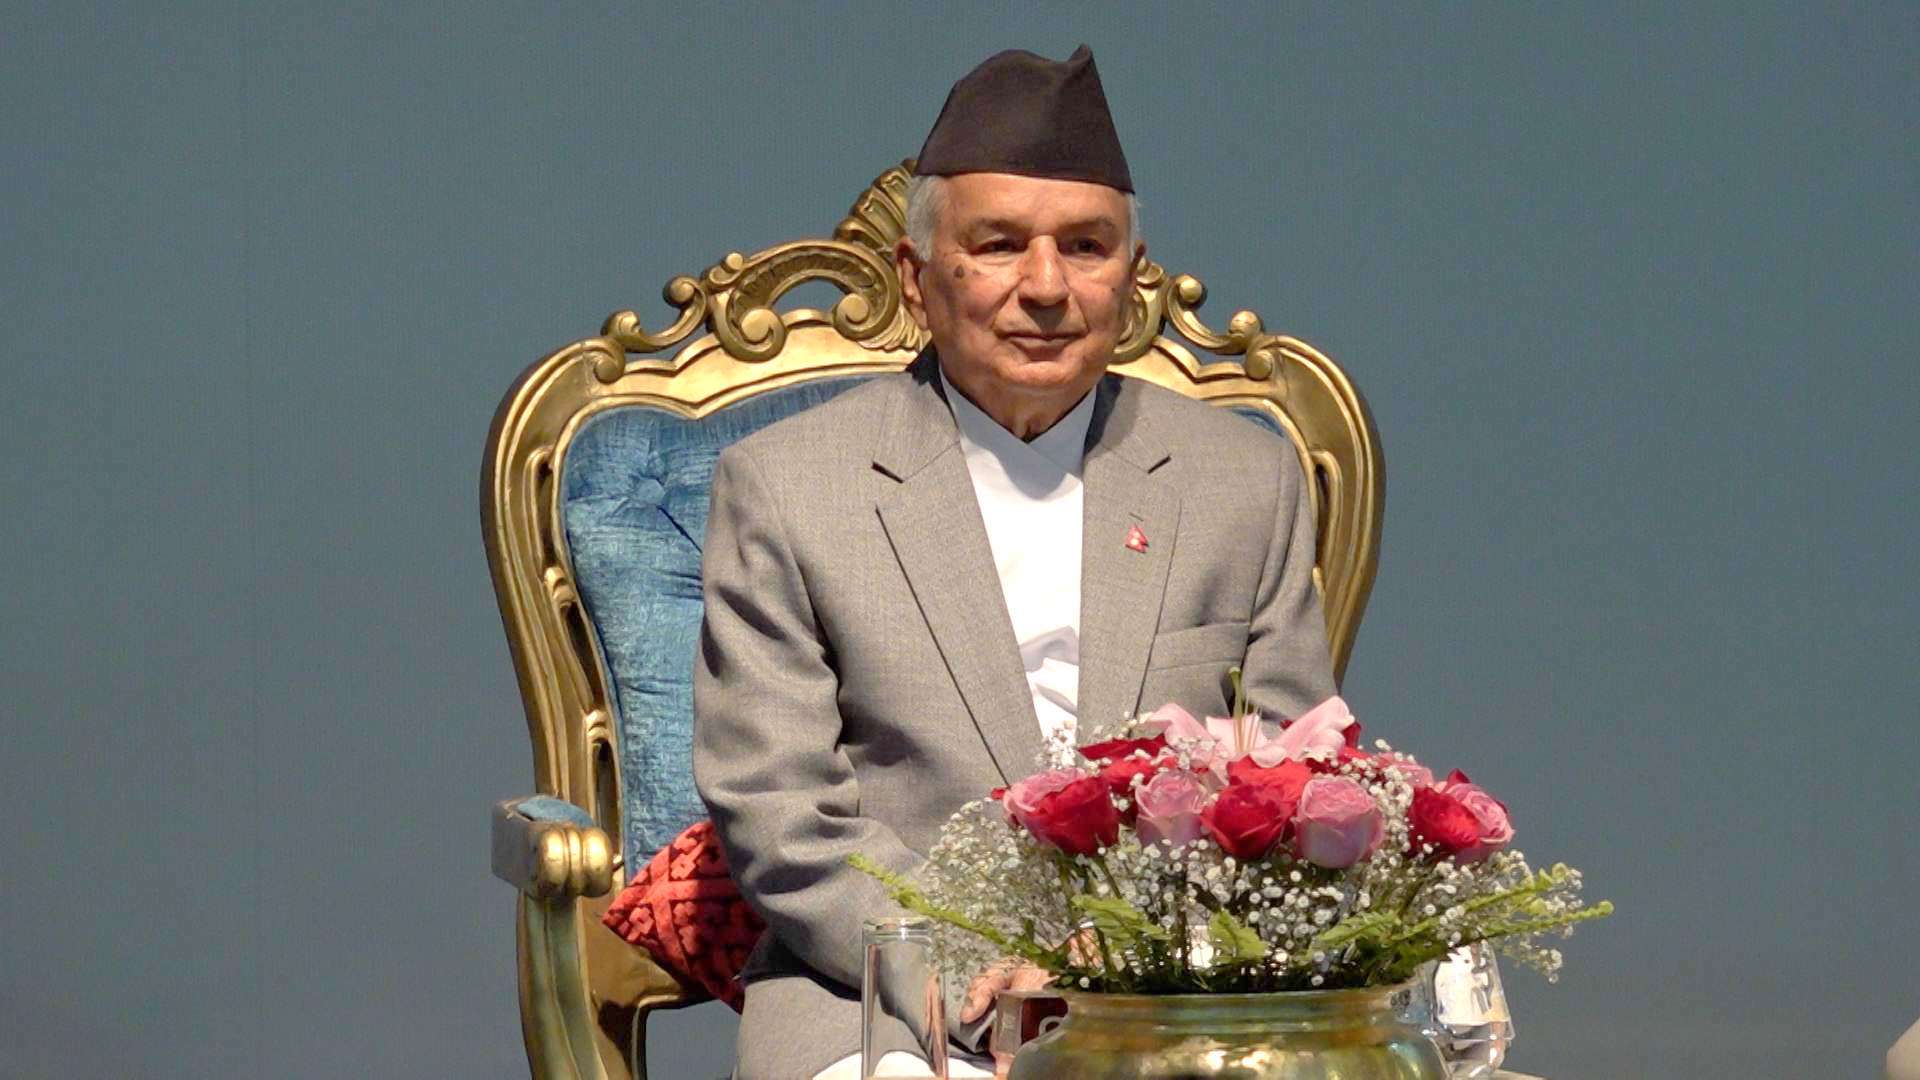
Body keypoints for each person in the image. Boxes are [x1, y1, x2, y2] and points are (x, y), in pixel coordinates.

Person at [692, 45, 1337, 1079]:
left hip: (1176, 993)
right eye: (998, 245)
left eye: (1085, 247)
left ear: (1132, 276)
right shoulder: (788, 485)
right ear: (917, 279)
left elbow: (1290, 791)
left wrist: (1131, 971)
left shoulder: (1240, 480)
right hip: (878, 989)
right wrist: (977, 972)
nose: (1045, 287)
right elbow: (782, 813)